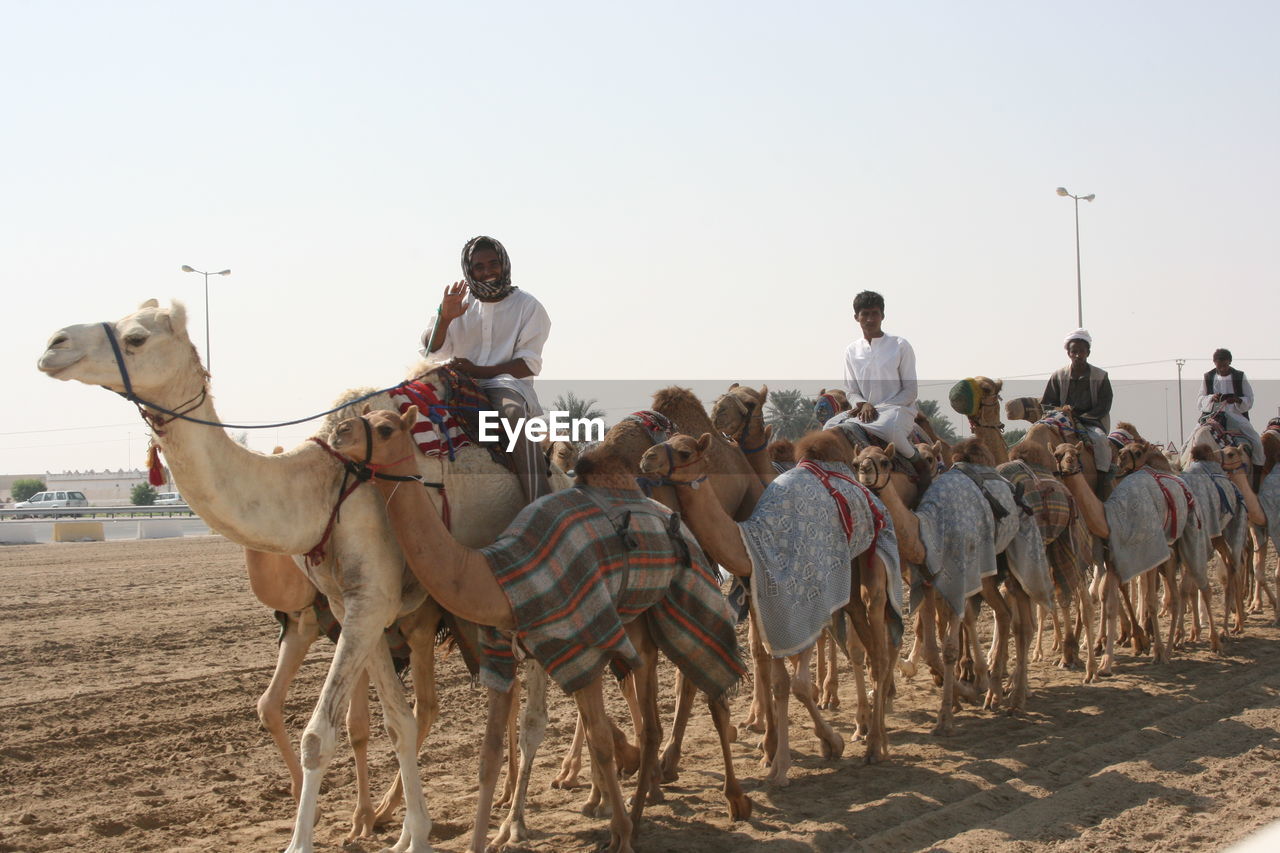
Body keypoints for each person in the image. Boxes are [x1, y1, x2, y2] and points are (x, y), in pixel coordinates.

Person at [421, 236, 552, 503]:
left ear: (504, 264)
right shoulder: (458, 304)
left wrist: (478, 372)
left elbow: (527, 364)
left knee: (512, 414)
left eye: (493, 264)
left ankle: (540, 502)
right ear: (469, 271)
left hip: (507, 385)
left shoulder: (528, 306)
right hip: (458, 383)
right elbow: (432, 351)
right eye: (479, 267)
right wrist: (445, 319)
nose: (488, 271)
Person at [842, 290, 932, 482]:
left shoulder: (899, 345)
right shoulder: (851, 350)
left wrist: (877, 408)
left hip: (897, 411)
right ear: (856, 317)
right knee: (830, 426)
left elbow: (910, 391)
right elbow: (851, 391)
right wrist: (862, 403)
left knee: (892, 431)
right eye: (864, 314)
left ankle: (920, 466)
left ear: (882, 315)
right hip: (863, 413)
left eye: (874, 313)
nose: (869, 319)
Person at [1041, 329, 1113, 485]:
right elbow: (1047, 403)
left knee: (1100, 440)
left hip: (1090, 422)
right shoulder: (1058, 376)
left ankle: (1102, 479)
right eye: (1074, 351)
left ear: (1088, 352)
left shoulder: (1100, 376)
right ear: (1069, 353)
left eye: (1081, 351)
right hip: (1061, 420)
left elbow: (1104, 404)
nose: (1078, 355)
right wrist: (1062, 413)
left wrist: (1081, 418)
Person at [1197, 348, 1263, 466]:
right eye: (1219, 365)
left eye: (1224, 365)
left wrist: (1237, 400)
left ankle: (1258, 469)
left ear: (1229, 362)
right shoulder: (1208, 377)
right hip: (1212, 416)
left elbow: (1249, 399)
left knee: (1257, 441)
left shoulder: (1240, 376)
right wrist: (1212, 398)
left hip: (1236, 415)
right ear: (1214, 362)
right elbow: (1200, 400)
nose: (1222, 368)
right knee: (1191, 440)